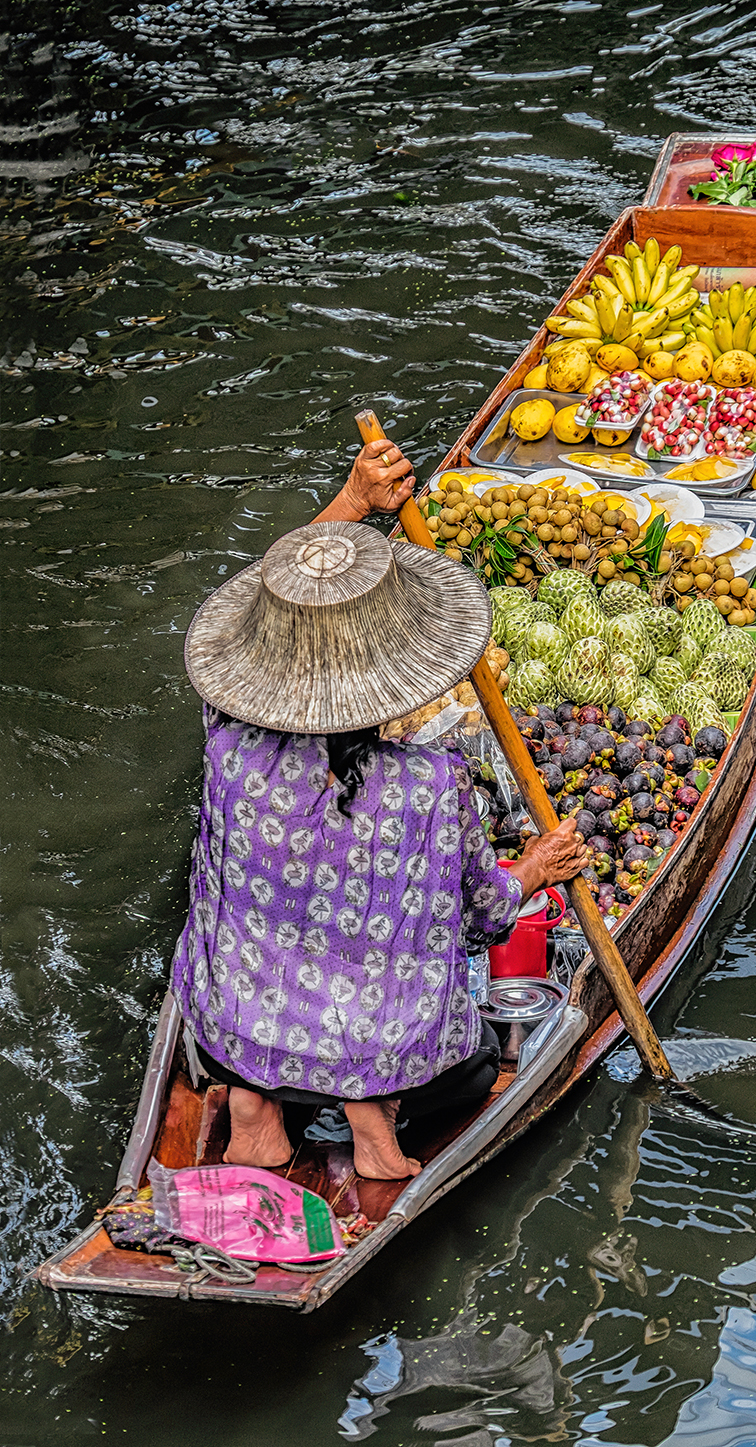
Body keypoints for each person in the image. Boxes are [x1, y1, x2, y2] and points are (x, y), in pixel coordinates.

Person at [171, 440, 586, 1180]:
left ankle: (254, 1114)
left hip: (235, 1031)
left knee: (278, 980)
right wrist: (538, 865)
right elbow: (487, 915)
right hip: (371, 1046)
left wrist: (353, 503)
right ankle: (375, 1126)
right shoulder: (433, 783)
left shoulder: (228, 741)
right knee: (473, 1054)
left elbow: (275, 594)